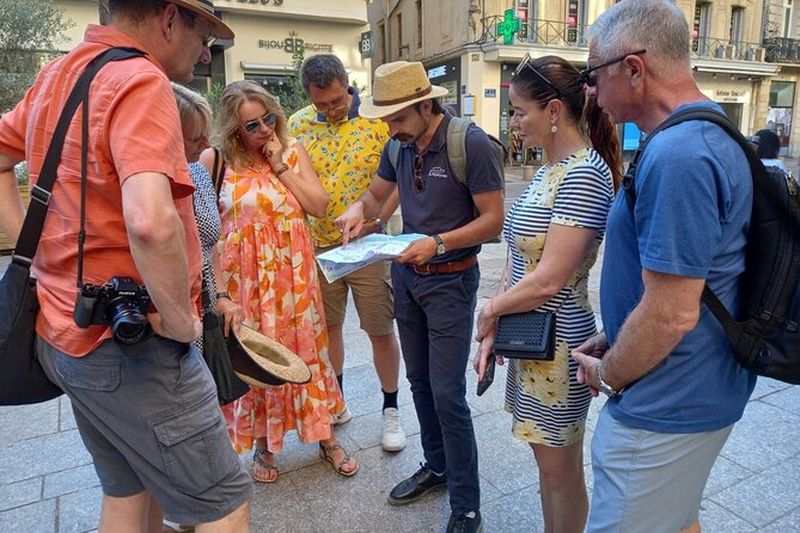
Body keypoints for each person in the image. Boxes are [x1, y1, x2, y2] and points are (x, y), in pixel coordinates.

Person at [0, 2, 251, 531]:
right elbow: (151, 223)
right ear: (168, 19)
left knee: (128, 492)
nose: (205, 54)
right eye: (204, 37)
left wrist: (37, 249)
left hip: (65, 331)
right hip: (131, 348)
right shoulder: (141, 80)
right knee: (223, 503)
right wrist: (181, 322)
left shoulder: (59, 73)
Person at [571, 1, 756, 532]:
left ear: (633, 69)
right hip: (694, 387)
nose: (590, 91)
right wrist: (618, 331)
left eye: (593, 75)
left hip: (665, 404)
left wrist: (609, 373)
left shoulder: (679, 154)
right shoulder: (708, 129)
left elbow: (671, 313)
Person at [336, 61, 504, 533]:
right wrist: (358, 211)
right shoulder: (398, 145)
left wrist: (440, 243)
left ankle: (466, 504)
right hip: (407, 277)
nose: (391, 129)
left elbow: (493, 220)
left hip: (451, 280)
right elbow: (376, 196)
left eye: (398, 119)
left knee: (448, 393)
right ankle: (438, 466)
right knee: (420, 382)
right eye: (386, 120)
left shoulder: (469, 143)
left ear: (426, 105)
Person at [472, 55, 621, 532]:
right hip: (530, 335)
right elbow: (517, 259)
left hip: (558, 345)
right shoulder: (549, 170)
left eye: (520, 112)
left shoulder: (585, 173)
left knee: (560, 471)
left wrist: (490, 311)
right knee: (547, 466)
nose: (514, 123)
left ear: (554, 110)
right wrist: (496, 322)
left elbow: (550, 279)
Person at [204, 79, 359, 484]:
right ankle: (264, 444)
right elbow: (205, 233)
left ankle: (325, 436)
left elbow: (319, 205)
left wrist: (280, 166)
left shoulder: (290, 150)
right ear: (234, 130)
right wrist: (219, 292)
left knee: (308, 352)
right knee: (259, 357)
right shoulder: (216, 162)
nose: (264, 130)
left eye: (269, 119)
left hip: (295, 278)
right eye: (252, 126)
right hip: (246, 282)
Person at [287, 54, 406, 452]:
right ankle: (336, 402)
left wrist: (378, 221)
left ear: (347, 84)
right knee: (327, 330)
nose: (331, 110)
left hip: (369, 246)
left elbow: (397, 179)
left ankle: (391, 409)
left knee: (380, 328)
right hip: (318, 246)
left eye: (337, 101)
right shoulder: (298, 125)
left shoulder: (376, 121)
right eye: (321, 104)